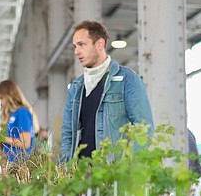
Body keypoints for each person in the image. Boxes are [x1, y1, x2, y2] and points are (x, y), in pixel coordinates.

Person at [61, 20, 153, 162]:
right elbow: (68, 133)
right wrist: (66, 167)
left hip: (111, 174)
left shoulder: (127, 79)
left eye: (81, 45)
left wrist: (124, 168)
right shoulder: (76, 86)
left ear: (99, 44)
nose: (76, 51)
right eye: (75, 46)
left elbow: (144, 128)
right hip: (80, 176)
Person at [0, 80, 38, 162]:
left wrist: (2, 138)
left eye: (1, 98)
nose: (1, 102)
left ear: (10, 96)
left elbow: (25, 143)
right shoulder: (11, 114)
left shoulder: (22, 112)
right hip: (10, 162)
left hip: (20, 164)